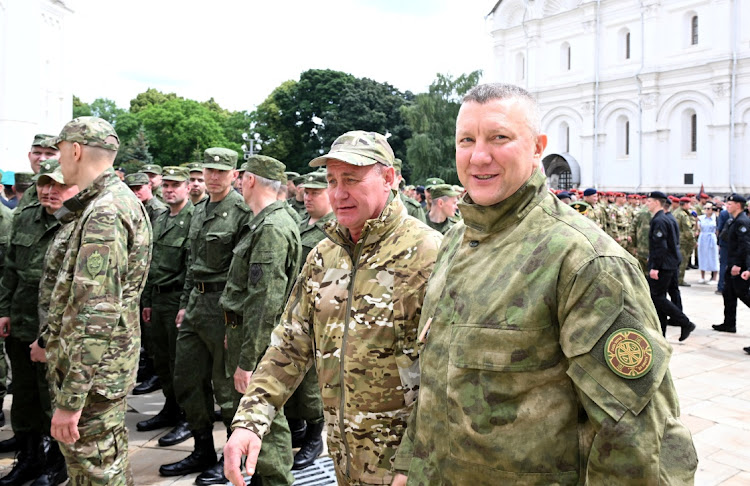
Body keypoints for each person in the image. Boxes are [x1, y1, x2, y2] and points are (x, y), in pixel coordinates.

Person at [395, 84, 697, 485]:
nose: (478, 155)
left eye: (499, 137)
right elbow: (436, 380)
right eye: (466, 140)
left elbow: (639, 440)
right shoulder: (456, 242)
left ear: (537, 147)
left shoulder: (585, 262)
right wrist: (408, 468)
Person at [223, 130, 443, 486]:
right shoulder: (325, 256)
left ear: (388, 178)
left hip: (407, 468)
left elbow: (447, 378)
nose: (338, 193)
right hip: (344, 459)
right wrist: (250, 420)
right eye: (332, 181)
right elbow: (289, 344)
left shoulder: (429, 254)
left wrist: (413, 460)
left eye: (352, 180)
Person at [44, 116, 152, 485]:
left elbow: (96, 313)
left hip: (92, 376)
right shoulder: (105, 202)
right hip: (100, 370)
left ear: (75, 150)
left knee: (95, 471)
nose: (57, 161)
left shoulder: (105, 212)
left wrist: (71, 398)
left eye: (59, 151)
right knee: (105, 464)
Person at [159, 148, 251, 479]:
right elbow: (191, 264)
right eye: (208, 170)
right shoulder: (199, 210)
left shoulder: (241, 212)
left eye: (220, 171)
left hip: (222, 309)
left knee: (226, 389)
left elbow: (241, 273)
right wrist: (184, 303)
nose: (213, 176)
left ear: (234, 175)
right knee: (187, 379)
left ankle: (232, 456)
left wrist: (234, 322)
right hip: (195, 307)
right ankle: (201, 449)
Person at [211, 155, 301, 486]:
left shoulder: (272, 228)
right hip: (246, 334)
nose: (237, 182)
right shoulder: (268, 222)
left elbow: (265, 302)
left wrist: (249, 360)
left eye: (241, 177)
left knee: (263, 417)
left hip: (259, 342)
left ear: (250, 181)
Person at [0, 161, 77, 486]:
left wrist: (49, 338)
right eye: (44, 184)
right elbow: (11, 269)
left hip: (55, 333)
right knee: (25, 398)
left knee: (52, 399)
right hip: (21, 321)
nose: (48, 191)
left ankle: (57, 462)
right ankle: (29, 457)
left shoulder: (77, 223)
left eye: (56, 185)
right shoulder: (26, 216)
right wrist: (4, 310)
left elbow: (75, 290)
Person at [136, 167, 195, 448]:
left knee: (180, 363)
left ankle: (187, 417)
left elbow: (191, 269)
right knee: (161, 360)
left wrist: (184, 305)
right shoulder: (159, 219)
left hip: (176, 300)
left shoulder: (193, 219)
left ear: (186, 188)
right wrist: (146, 300)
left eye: (176, 185)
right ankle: (170, 408)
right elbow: (150, 262)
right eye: (167, 185)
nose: (170, 190)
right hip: (157, 300)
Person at [283, 169, 333, 470]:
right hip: (295, 310)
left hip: (319, 314)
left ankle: (315, 437)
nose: (309, 196)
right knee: (293, 378)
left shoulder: (334, 230)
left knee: (312, 385)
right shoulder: (301, 222)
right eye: (307, 192)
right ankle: (298, 429)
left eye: (316, 192)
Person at [124, 172, 167, 395]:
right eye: (132, 188)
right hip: (141, 275)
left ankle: (154, 373)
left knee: (151, 332)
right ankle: (149, 368)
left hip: (153, 274)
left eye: (140, 187)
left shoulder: (157, 210)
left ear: (149, 186)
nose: (136, 191)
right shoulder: (134, 208)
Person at [645, 192, 697, 340]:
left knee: (656, 297)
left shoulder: (660, 220)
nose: (647, 203)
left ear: (656, 202)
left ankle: (685, 322)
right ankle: (661, 334)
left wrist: (655, 266)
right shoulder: (668, 217)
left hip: (663, 265)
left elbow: (660, 246)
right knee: (658, 298)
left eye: (649, 201)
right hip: (670, 263)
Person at [712, 194, 750, 335]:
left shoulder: (742, 222)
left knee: (743, 293)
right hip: (731, 262)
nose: (727, 206)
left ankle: (729, 323)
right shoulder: (733, 220)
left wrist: (738, 265)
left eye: (730, 204)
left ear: (738, 205)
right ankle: (729, 323)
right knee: (728, 294)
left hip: (739, 265)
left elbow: (744, 246)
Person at [16, 134, 60, 212]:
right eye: (37, 153)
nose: (42, 159)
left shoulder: (68, 190)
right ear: (29, 156)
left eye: (49, 154)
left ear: (62, 157)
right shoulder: (30, 191)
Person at [392, 159, 426, 223]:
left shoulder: (412, 208)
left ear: (398, 179)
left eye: (390, 176)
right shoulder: (372, 205)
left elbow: (422, 232)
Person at [675, 197, 697, 286]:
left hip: (677, 239)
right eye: (689, 204)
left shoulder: (676, 212)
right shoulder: (683, 215)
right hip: (683, 241)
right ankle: (679, 280)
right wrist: (693, 240)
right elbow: (687, 231)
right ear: (685, 204)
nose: (690, 206)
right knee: (683, 261)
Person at [697, 203, 719, 284]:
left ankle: (714, 278)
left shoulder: (715, 218)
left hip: (712, 237)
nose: (706, 210)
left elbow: (717, 230)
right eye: (705, 208)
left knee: (713, 257)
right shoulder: (701, 218)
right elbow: (698, 228)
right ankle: (702, 276)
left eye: (708, 208)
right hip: (703, 237)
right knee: (702, 256)